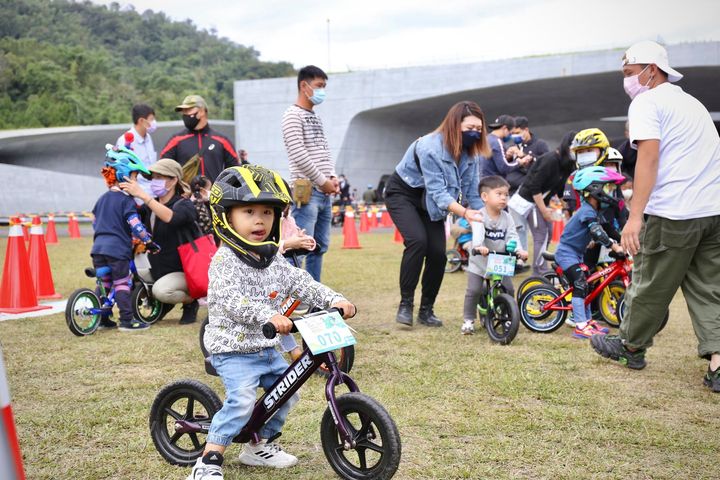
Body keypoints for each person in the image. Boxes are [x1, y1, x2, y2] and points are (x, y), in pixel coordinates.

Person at [188, 165, 356, 478]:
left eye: (267, 212)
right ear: (225, 217)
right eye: (248, 211)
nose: (259, 219)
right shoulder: (224, 261)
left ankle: (256, 446)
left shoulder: (271, 258)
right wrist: (268, 314)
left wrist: (334, 299)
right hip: (232, 350)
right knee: (241, 402)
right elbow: (232, 300)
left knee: (287, 393)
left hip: (265, 349)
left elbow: (301, 282)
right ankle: (208, 460)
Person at [591, 41, 720, 392]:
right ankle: (718, 363)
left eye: (631, 74)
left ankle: (630, 346)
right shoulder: (692, 103)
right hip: (712, 211)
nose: (628, 81)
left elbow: (648, 159)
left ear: (652, 69)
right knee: (710, 287)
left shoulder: (647, 102)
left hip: (674, 211)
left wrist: (635, 218)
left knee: (650, 283)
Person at [385, 101, 488, 327]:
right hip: (404, 194)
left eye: (479, 129)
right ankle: (406, 304)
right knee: (417, 242)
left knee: (438, 254)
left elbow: (472, 191)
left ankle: (426, 310)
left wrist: (488, 214)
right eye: (470, 128)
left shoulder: (472, 155)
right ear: (455, 125)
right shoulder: (430, 147)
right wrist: (465, 213)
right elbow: (439, 193)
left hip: (430, 202)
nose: (475, 133)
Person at [119, 158, 200, 324]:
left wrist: (143, 195)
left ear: (173, 180)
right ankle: (161, 304)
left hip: (185, 272)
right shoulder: (151, 205)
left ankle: (191, 302)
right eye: (153, 178)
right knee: (128, 276)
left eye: (159, 177)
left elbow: (172, 218)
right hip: (157, 267)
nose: (154, 182)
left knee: (161, 291)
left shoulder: (185, 204)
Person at [91, 145, 158, 331]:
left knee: (104, 283)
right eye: (135, 177)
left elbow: (95, 222)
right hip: (117, 250)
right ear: (123, 176)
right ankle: (127, 321)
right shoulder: (126, 201)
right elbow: (135, 225)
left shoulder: (102, 199)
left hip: (97, 249)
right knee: (122, 283)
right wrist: (147, 241)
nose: (137, 182)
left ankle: (103, 319)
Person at [281, 65, 338, 281]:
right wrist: (323, 181)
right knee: (298, 246)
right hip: (306, 190)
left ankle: (315, 294)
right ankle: (290, 295)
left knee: (318, 246)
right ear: (304, 86)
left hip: (322, 192)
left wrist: (332, 176)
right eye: (319, 86)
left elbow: (322, 150)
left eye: (324, 86)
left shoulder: (314, 116)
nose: (322, 91)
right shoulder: (292, 116)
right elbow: (298, 153)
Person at [555, 167, 625, 339]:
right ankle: (580, 326)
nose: (610, 192)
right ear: (595, 189)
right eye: (607, 187)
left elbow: (607, 229)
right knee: (580, 283)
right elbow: (597, 232)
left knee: (586, 284)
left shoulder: (595, 211)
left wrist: (624, 241)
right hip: (566, 253)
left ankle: (586, 320)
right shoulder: (586, 210)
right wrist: (614, 247)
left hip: (576, 254)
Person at [461, 176, 527, 335]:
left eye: (506, 194)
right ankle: (468, 320)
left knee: (509, 289)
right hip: (480, 261)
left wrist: (520, 250)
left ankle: (506, 314)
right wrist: (479, 246)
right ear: (485, 197)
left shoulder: (507, 217)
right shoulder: (479, 216)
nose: (504, 197)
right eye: (499, 194)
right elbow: (478, 234)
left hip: (500, 260)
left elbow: (512, 236)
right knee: (474, 290)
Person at [511, 130, 577, 275]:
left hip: (539, 202)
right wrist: (544, 210)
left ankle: (541, 268)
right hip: (529, 201)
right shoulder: (550, 159)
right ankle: (540, 271)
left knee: (549, 232)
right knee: (541, 234)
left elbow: (560, 189)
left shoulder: (567, 164)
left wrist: (567, 209)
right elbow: (535, 186)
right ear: (568, 146)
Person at [160, 95, 239, 182]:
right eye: (183, 111)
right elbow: (162, 167)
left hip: (214, 194)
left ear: (201, 111)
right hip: (185, 195)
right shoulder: (176, 139)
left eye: (188, 110)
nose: (185, 114)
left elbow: (235, 170)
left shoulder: (222, 140)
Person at [505, 116, 550, 254]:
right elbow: (507, 167)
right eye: (512, 133)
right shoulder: (513, 146)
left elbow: (547, 165)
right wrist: (508, 156)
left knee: (541, 230)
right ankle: (519, 257)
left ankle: (540, 258)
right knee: (517, 228)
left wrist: (524, 155)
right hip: (513, 194)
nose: (515, 136)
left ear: (526, 130)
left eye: (517, 132)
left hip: (533, 195)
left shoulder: (539, 144)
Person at [115, 103, 157, 201]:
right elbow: (122, 172)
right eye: (151, 119)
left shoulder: (148, 138)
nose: (154, 122)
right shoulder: (125, 141)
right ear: (141, 121)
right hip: (138, 197)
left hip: (153, 194)